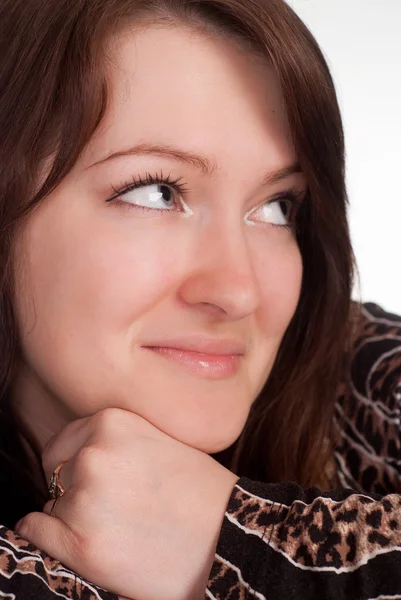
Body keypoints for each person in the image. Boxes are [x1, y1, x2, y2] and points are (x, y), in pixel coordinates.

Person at [0, 0, 400, 598]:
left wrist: (245, 539)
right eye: (158, 192)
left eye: (276, 207)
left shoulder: (357, 374)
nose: (238, 290)